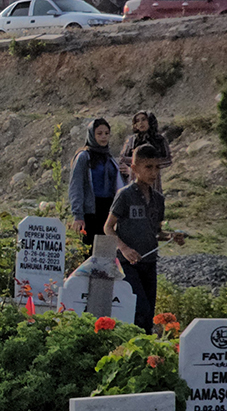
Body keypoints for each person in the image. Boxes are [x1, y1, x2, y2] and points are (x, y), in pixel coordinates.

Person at [104, 144, 184, 333]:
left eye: (157, 167)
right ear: (134, 169)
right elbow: (108, 227)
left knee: (149, 315)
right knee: (140, 309)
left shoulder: (158, 199)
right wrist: (124, 248)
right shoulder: (124, 196)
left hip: (149, 261)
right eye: (148, 167)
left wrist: (171, 236)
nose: (153, 172)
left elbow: (156, 232)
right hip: (128, 263)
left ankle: (147, 354)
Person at [69, 118, 126, 252]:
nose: (103, 137)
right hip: (91, 209)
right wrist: (78, 215)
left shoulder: (110, 158)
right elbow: (76, 186)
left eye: (106, 133)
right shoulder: (84, 157)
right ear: (92, 135)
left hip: (108, 208)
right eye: (99, 133)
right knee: (89, 251)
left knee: (106, 251)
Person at [119, 111, 171, 191]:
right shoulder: (132, 140)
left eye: (143, 119)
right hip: (134, 177)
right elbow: (123, 158)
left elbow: (167, 159)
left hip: (153, 180)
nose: (141, 123)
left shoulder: (159, 140)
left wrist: (152, 163)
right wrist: (136, 163)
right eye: (137, 121)